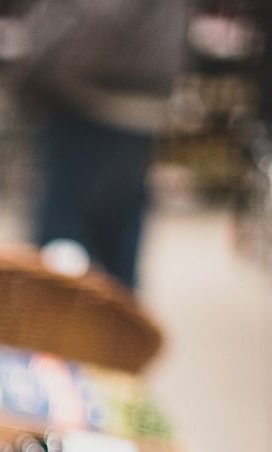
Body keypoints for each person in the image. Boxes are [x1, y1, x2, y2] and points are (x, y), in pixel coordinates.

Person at [18, 0, 190, 290]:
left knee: (62, 247)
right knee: (117, 241)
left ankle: (62, 330)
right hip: (136, 105)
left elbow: (94, 17)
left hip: (89, 100)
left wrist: (32, 72)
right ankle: (115, 328)